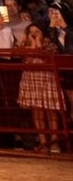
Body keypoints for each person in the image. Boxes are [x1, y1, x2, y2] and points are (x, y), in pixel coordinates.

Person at [17, 23, 64, 153]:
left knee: (51, 112)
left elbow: (48, 57)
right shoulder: (23, 45)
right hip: (31, 80)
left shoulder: (50, 45)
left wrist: (39, 44)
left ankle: (54, 142)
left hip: (47, 79)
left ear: (42, 33)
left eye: (37, 31)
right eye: (31, 32)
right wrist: (33, 45)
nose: (34, 34)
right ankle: (43, 142)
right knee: (37, 113)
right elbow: (27, 60)